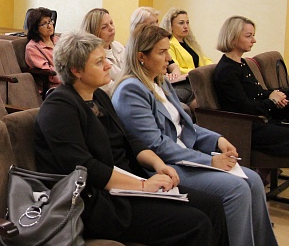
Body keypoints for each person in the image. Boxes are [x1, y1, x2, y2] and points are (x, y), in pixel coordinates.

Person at [35, 31, 228, 245]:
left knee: (212, 205)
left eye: (105, 59)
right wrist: (143, 186)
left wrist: (158, 165)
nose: (108, 65)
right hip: (99, 200)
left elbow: (129, 140)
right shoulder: (59, 108)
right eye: (99, 62)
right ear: (76, 70)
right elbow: (85, 168)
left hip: (128, 184)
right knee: (196, 223)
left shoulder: (99, 96)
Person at [112, 24, 277, 246]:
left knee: (254, 181)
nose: (169, 59)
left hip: (185, 156)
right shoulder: (131, 90)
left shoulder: (159, 81)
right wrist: (209, 161)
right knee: (237, 189)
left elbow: (186, 126)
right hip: (165, 166)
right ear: (141, 57)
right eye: (162, 52)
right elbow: (155, 145)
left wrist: (218, 139)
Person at [213, 15, 289, 226]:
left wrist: (274, 95)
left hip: (261, 121)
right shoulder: (226, 71)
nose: (254, 40)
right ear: (233, 37)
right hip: (249, 129)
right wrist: (271, 101)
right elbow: (244, 108)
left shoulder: (241, 64)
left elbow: (257, 95)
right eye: (248, 36)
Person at [80, 8, 125, 95]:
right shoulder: (91, 56)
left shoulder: (118, 46)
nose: (111, 28)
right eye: (104, 27)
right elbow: (109, 89)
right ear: (93, 32)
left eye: (111, 23)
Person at [25, 7, 60, 91]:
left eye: (50, 21)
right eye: (44, 24)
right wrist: (70, 77)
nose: (49, 26)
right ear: (35, 29)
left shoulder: (58, 40)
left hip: (70, 81)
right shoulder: (32, 47)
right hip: (54, 88)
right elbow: (48, 72)